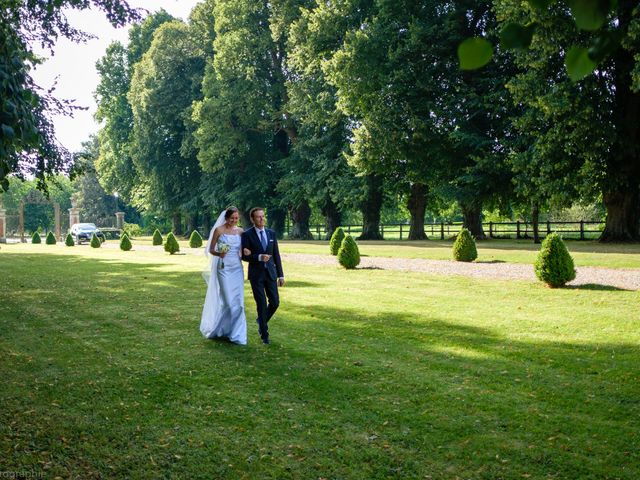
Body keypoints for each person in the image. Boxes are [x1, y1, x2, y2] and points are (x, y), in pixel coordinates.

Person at [200, 206, 247, 345]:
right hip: (223, 268)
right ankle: (220, 329)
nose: (234, 220)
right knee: (227, 302)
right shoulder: (219, 230)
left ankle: (237, 334)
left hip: (237, 268)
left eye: (236, 218)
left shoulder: (240, 232)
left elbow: (245, 248)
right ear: (226, 218)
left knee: (238, 303)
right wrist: (219, 254)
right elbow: (211, 249)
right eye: (232, 218)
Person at [241, 207, 284, 345]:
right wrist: (259, 257)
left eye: (263, 216)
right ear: (252, 219)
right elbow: (244, 256)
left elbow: (276, 255)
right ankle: (264, 335)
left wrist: (281, 275)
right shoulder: (247, 235)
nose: (261, 219)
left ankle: (261, 320)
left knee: (275, 302)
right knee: (261, 304)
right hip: (256, 275)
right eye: (258, 217)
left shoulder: (271, 234)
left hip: (271, 274)